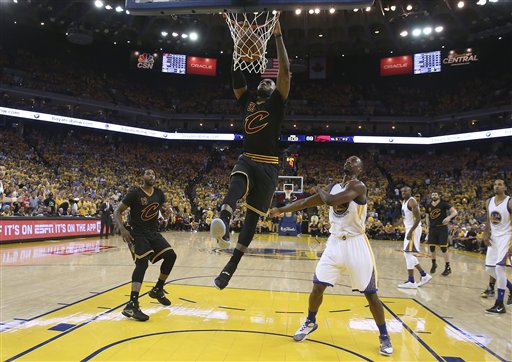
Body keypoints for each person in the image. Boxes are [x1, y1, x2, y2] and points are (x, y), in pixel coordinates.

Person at [269, 156, 393, 356]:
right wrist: (281, 210)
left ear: (359, 169)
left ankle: (384, 335)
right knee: (317, 286)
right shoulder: (334, 185)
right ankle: (310, 321)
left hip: (356, 243)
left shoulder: (359, 186)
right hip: (335, 241)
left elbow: (330, 200)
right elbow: (309, 201)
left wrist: (319, 189)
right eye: (348, 160)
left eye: (354, 161)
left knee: (371, 294)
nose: (349, 162)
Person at [210, 19, 290, 290]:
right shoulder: (249, 102)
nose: (268, 81)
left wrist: (277, 37)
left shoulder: (276, 103)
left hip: (269, 166)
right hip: (249, 157)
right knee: (237, 178)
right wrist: (237, 48)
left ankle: (229, 270)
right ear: (258, 87)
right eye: (264, 80)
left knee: (253, 219)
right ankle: (224, 215)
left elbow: (286, 74)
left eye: (271, 80)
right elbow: (237, 80)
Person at [113, 169, 177, 321]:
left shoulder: (159, 193)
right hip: (137, 233)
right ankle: (132, 305)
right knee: (142, 264)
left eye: (154, 174)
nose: (152, 176)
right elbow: (117, 211)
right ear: (142, 177)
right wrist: (122, 228)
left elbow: (160, 209)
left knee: (171, 256)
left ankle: (158, 289)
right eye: (148, 174)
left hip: (153, 232)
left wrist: (166, 212)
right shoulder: (134, 194)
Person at [482, 179, 512, 314]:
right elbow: (488, 220)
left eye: (500, 184)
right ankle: (511, 288)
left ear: (505, 187)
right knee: (489, 268)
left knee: (500, 268)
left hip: (506, 238)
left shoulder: (510, 202)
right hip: (493, 238)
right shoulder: (488, 202)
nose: (496, 186)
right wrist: (485, 233)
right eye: (495, 184)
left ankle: (499, 304)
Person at [398, 187, 432, 288]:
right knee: (408, 254)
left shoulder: (412, 201)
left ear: (410, 191)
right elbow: (404, 217)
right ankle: (424, 275)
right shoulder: (404, 202)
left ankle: (411, 281)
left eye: (406, 191)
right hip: (409, 229)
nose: (403, 192)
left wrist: (411, 231)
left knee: (408, 254)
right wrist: (394, 226)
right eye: (402, 191)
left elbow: (418, 219)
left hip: (413, 229)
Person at [425, 192, 458, 276]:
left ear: (438, 196)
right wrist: (427, 227)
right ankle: (433, 264)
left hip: (442, 228)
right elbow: (427, 217)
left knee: (443, 248)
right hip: (432, 228)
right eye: (433, 194)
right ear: (431, 196)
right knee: (431, 247)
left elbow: (455, 212)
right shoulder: (428, 206)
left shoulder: (444, 204)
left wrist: (449, 217)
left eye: (436, 194)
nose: (434, 196)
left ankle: (448, 267)